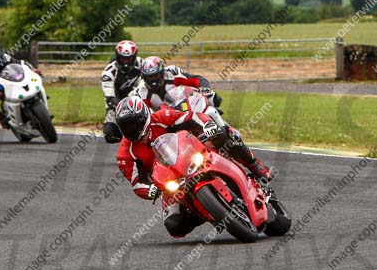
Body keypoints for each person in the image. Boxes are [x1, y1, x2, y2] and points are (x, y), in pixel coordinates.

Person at [114, 97, 272, 238]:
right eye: (126, 126)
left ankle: (254, 164)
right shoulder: (124, 154)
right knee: (174, 226)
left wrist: (207, 125)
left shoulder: (162, 117)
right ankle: (211, 211)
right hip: (170, 182)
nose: (132, 129)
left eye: (134, 124)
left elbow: (191, 117)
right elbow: (136, 182)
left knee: (222, 133)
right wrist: (151, 190)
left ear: (144, 117)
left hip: (193, 152)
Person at [132, 56, 222, 111]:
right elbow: (144, 113)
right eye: (150, 77)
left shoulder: (171, 73)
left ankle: (224, 128)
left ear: (162, 73)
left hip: (185, 106)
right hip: (164, 120)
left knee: (214, 99)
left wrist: (205, 88)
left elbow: (196, 79)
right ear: (143, 77)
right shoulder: (140, 92)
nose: (153, 80)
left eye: (156, 76)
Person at [101, 40, 143, 143]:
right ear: (117, 56)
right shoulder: (108, 72)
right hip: (117, 107)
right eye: (123, 58)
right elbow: (110, 98)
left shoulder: (142, 64)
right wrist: (126, 110)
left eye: (128, 58)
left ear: (134, 57)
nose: (126, 61)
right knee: (110, 135)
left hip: (141, 103)